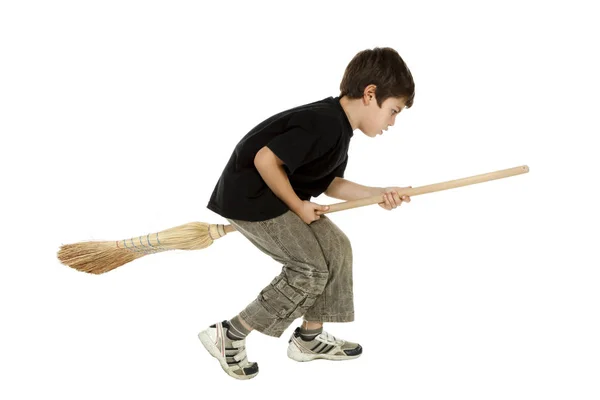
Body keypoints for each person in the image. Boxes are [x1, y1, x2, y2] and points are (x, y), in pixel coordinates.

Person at [198, 47, 415, 380]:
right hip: (251, 199)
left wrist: (379, 194)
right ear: (370, 94)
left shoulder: (340, 129)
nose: (393, 122)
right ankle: (230, 333)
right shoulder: (324, 122)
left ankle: (309, 339)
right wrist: (298, 205)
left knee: (336, 248)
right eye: (394, 110)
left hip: (275, 197)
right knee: (309, 270)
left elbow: (330, 183)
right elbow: (264, 160)